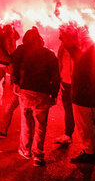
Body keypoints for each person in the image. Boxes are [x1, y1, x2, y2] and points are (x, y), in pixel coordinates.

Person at [10, 27, 60, 166]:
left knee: (26, 122)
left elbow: (14, 65)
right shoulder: (49, 54)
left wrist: (15, 82)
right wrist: (54, 94)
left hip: (25, 91)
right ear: (40, 40)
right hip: (43, 93)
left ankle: (25, 150)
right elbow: (56, 77)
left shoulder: (21, 49)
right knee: (40, 125)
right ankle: (38, 155)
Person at [69, 38, 95, 165]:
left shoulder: (87, 60)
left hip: (82, 98)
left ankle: (89, 153)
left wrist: (65, 33)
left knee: (84, 126)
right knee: (89, 124)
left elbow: (72, 49)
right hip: (91, 97)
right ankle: (90, 150)